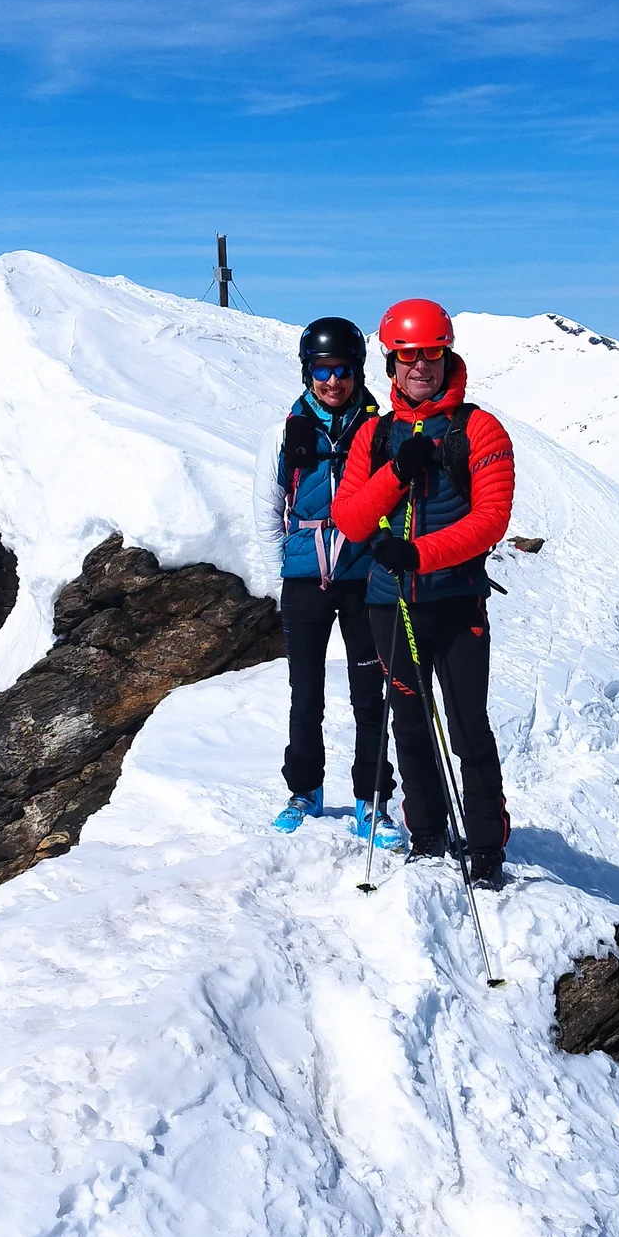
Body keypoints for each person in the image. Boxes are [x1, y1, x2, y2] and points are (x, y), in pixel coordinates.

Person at [331, 298, 515, 888]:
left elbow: (491, 521)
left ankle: (486, 845)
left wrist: (418, 555)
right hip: (391, 604)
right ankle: (428, 834)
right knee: (408, 722)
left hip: (456, 602)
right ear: (390, 363)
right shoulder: (375, 435)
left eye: (431, 354)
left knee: (467, 727)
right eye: (408, 356)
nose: (421, 367)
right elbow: (352, 520)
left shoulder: (479, 429)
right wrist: (398, 472)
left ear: (447, 355)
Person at [254, 316, 402, 847]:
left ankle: (372, 800)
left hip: (365, 580)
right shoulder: (284, 433)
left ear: (358, 371)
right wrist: (283, 573)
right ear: (307, 372)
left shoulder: (381, 431)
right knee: (305, 693)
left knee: (370, 694)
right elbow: (268, 510)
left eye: (342, 370)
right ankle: (305, 790)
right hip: (305, 581)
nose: (333, 381)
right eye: (322, 370)